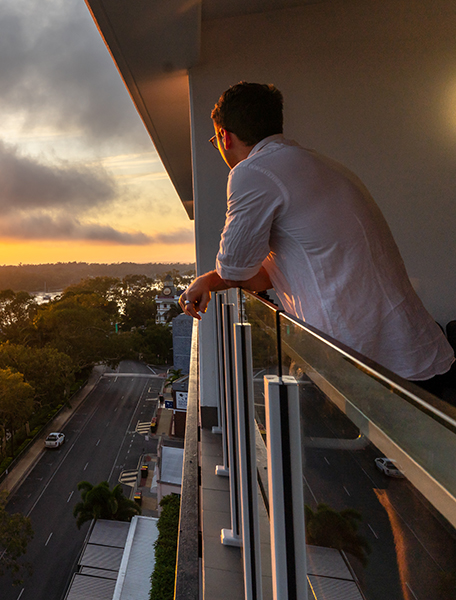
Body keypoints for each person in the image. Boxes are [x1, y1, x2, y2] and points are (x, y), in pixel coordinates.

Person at [180, 82, 454, 391]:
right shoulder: (322, 165)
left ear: (224, 137)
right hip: (411, 348)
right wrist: (209, 281)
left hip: (359, 362)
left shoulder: (252, 171)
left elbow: (234, 269)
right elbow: (266, 274)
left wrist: (213, 279)